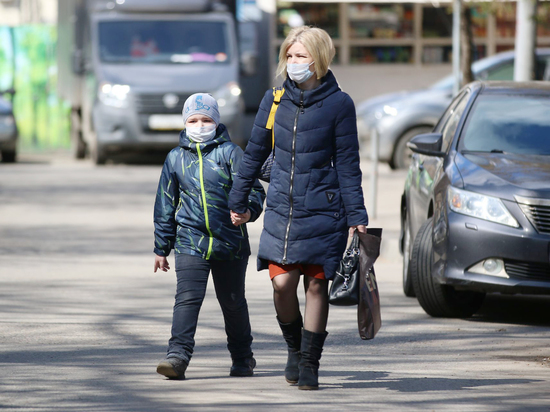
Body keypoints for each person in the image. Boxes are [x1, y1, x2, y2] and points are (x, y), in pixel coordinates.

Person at [229, 26, 368, 390]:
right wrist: (237, 199)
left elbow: (349, 165)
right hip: (282, 210)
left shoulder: (340, 104)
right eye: (289, 56)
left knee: (316, 287)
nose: (294, 63)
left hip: (324, 209)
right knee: (282, 284)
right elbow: (254, 153)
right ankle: (294, 348)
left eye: (301, 56)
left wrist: (357, 218)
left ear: (319, 59)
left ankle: (309, 363)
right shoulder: (274, 100)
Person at [153, 93, 266, 380]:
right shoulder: (175, 159)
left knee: (232, 301)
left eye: (206, 120)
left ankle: (242, 358)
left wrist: (248, 213)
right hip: (190, 241)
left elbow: (254, 190)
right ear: (185, 123)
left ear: (216, 122)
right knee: (187, 298)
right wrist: (161, 247)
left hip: (231, 243)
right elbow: (165, 204)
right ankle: (177, 356)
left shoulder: (231, 153)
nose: (200, 125)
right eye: (193, 120)